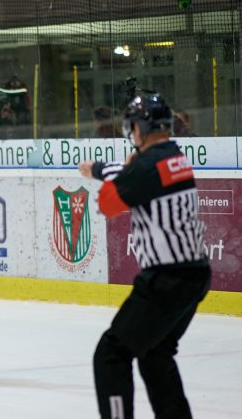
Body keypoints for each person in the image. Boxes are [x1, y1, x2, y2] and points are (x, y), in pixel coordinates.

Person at [78, 94, 211, 419]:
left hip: (166, 279)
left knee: (111, 354)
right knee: (155, 354)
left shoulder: (149, 166)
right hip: (193, 276)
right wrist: (104, 169)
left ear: (139, 128)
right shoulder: (173, 157)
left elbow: (108, 204)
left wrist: (101, 171)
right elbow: (130, 174)